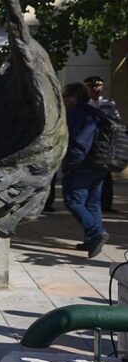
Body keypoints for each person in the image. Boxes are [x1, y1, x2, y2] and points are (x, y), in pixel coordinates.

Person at [62, 82, 110, 258]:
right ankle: (92, 240)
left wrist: (70, 163)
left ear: (73, 97)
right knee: (92, 203)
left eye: (65, 96)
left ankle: (96, 232)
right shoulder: (95, 112)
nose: (64, 100)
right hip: (100, 164)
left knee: (73, 201)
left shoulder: (76, 113)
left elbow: (78, 142)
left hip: (82, 164)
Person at [85, 75, 119, 213]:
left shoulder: (108, 103)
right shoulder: (84, 104)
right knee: (86, 174)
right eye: (92, 86)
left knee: (105, 175)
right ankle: (88, 203)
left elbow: (117, 122)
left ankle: (106, 204)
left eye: (98, 86)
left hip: (103, 143)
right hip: (87, 143)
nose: (95, 89)